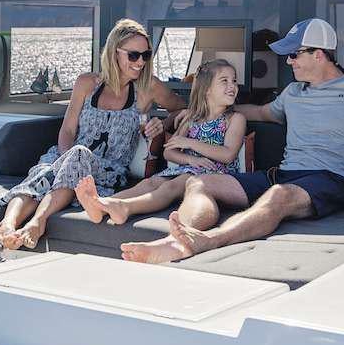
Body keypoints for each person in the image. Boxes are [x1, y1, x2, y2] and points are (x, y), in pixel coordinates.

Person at [121, 17, 344, 264]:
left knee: (278, 196)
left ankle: (209, 241)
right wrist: (197, 111)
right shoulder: (294, 93)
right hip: (282, 175)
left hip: (332, 180)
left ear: (320, 55)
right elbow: (258, 110)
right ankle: (178, 240)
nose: (289, 62)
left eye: (295, 55)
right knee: (198, 182)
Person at [0, 19, 185, 249]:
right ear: (115, 53)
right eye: (133, 55)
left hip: (109, 171)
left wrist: (163, 124)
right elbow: (68, 129)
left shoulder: (147, 88)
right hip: (68, 155)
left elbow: (181, 108)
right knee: (47, 170)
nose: (140, 62)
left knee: (77, 157)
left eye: (146, 55)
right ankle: (7, 223)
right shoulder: (86, 83)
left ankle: (38, 221)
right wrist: (65, 160)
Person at [75, 59, 247, 225]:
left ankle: (125, 208)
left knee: (171, 187)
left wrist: (189, 143)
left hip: (214, 174)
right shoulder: (192, 118)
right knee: (150, 183)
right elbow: (169, 152)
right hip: (187, 168)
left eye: (234, 81)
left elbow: (228, 154)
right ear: (207, 89)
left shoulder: (234, 119)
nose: (232, 86)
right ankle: (101, 204)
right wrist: (191, 159)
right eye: (224, 81)